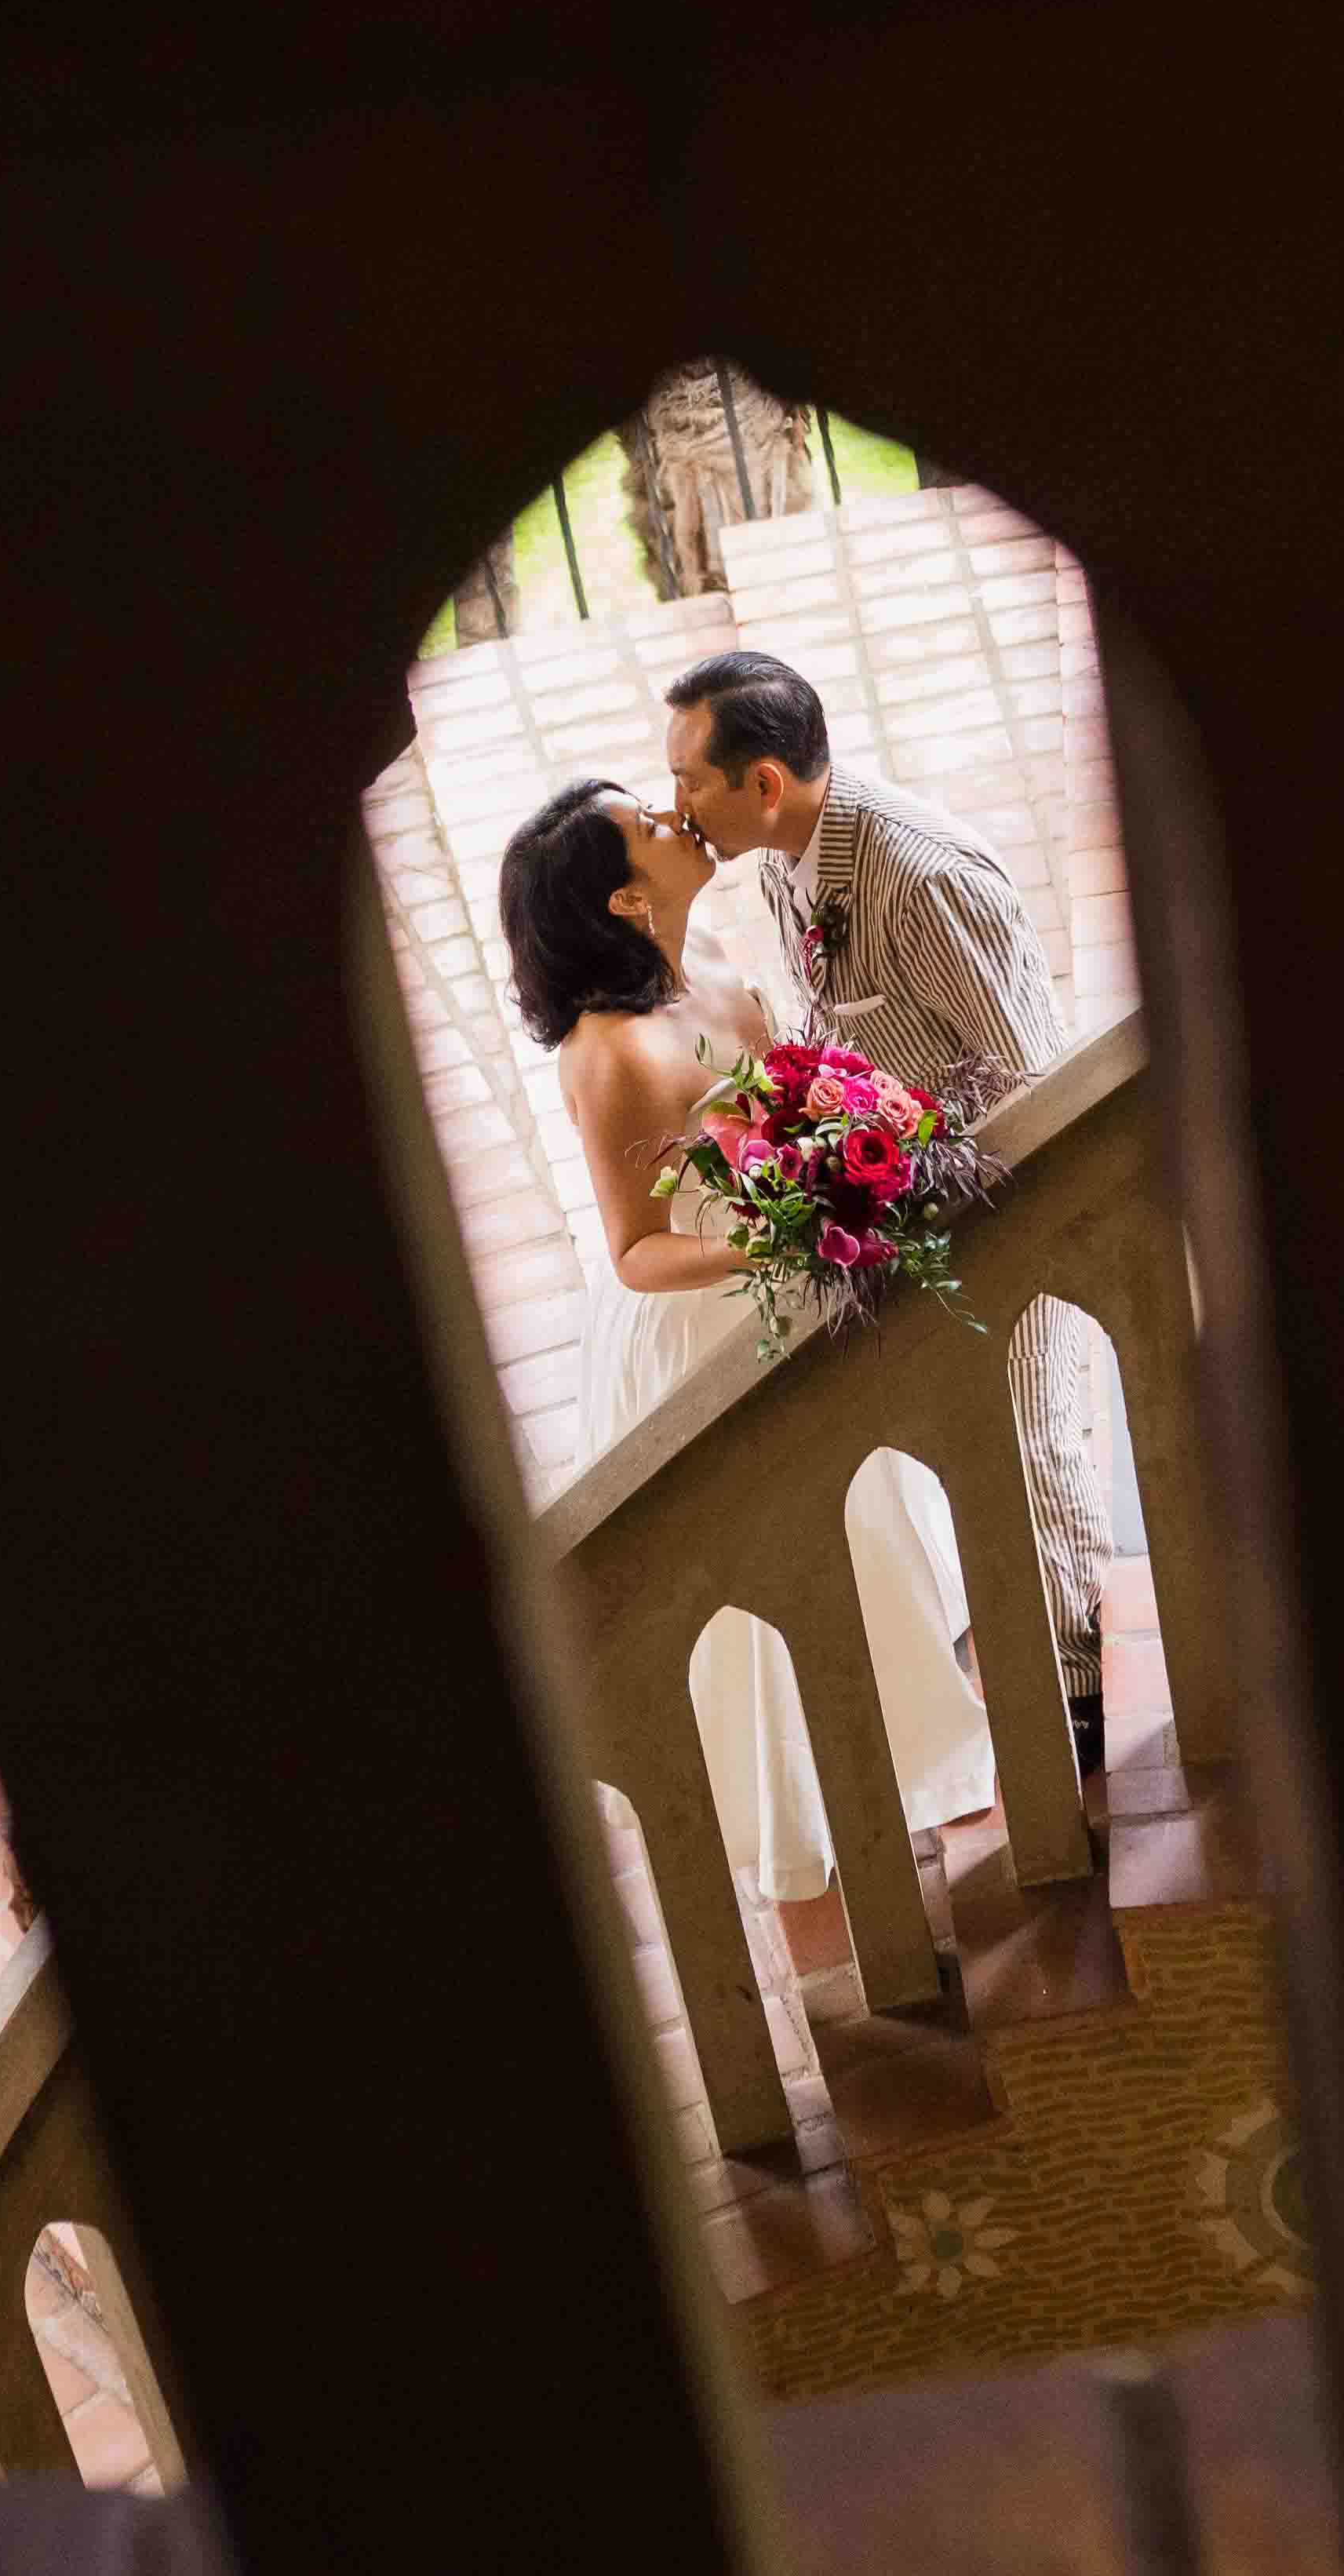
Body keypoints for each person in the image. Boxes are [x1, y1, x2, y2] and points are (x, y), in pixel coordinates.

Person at [497, 780, 996, 1908]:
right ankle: (813, 1834)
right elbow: (634, 1249)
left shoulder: (708, 949)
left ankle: (936, 1767)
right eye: (651, 828)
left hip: (789, 1265)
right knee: (785, 1554)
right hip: (706, 1313)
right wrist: (786, 1240)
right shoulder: (611, 1054)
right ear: (628, 896)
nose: (680, 824)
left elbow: (784, 1088)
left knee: (871, 1518)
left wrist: (841, 1141)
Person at [658, 649, 1125, 1780]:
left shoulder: (922, 877)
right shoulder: (783, 862)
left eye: (690, 779)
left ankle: (1096, 1736)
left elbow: (1037, 1082)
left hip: (1011, 1222)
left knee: (1038, 1467)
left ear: (763, 783)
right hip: (916, 1222)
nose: (675, 802)